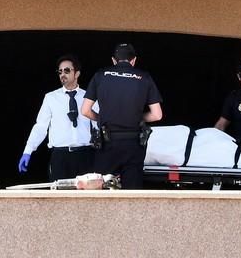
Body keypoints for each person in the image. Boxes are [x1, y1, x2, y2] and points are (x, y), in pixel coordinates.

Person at [81, 42, 163, 189]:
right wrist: (137, 117)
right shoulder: (144, 77)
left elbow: (85, 110)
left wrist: (104, 118)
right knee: (132, 193)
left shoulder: (100, 75)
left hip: (107, 142)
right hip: (133, 143)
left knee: (102, 189)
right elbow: (157, 115)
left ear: (114, 60)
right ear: (133, 60)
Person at [18, 54, 96, 181]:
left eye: (67, 70)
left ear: (77, 74)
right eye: (60, 71)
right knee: (60, 197)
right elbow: (41, 127)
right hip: (61, 156)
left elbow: (100, 123)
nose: (62, 74)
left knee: (86, 198)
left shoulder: (89, 97)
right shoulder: (51, 98)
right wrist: (28, 150)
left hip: (86, 155)